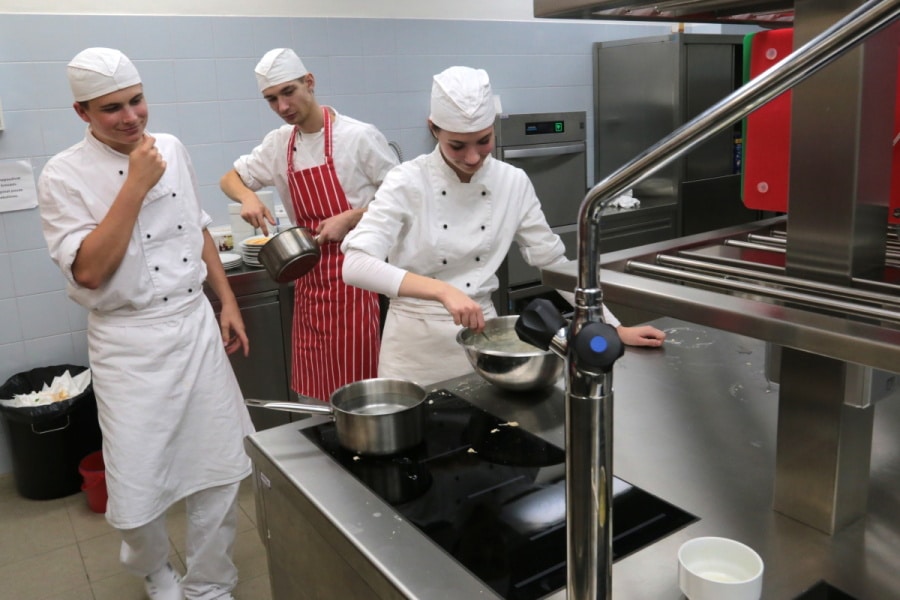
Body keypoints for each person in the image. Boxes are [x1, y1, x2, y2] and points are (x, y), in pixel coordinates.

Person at [37, 48, 254, 600]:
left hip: (193, 323)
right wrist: (135, 183)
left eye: (136, 101)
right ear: (82, 112)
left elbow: (197, 228)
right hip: (128, 340)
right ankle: (155, 570)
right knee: (136, 483)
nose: (131, 117)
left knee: (220, 468)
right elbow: (89, 271)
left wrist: (226, 300)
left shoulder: (173, 149)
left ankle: (210, 583)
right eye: (112, 108)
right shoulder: (62, 175)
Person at [341, 66, 666, 386]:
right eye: (457, 146)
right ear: (433, 129)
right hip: (413, 354)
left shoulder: (512, 181)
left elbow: (553, 263)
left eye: (483, 141)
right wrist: (442, 291)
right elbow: (355, 265)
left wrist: (611, 326)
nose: (472, 157)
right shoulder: (406, 180)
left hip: (484, 344)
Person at [220, 48, 399, 401]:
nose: (282, 106)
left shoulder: (358, 137)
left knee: (362, 396)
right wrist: (247, 197)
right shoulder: (279, 144)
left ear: (310, 82)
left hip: (360, 282)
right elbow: (229, 178)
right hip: (310, 285)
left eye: (288, 92)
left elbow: (403, 199)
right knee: (316, 396)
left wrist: (351, 217)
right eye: (271, 99)